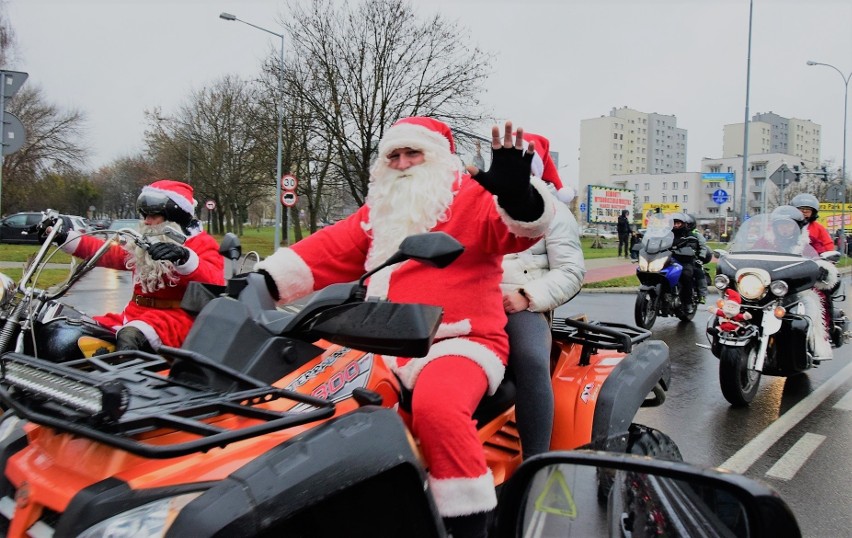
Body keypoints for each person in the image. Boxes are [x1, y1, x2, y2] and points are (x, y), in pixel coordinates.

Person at [254, 117, 556, 538]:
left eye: (413, 152)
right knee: (320, 408)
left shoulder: (473, 197)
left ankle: (468, 523)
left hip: (459, 341)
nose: (402, 163)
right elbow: (328, 249)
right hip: (380, 340)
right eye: (393, 155)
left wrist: (517, 195)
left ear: (436, 157)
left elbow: (517, 230)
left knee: (438, 407)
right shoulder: (379, 212)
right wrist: (259, 283)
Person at [53, 179, 224, 351]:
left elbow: (214, 282)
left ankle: (122, 376)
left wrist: (185, 258)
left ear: (174, 217)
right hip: (134, 314)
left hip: (172, 321)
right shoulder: (146, 242)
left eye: (153, 215)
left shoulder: (201, 243)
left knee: (130, 337)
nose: (147, 221)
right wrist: (64, 237)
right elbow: (110, 253)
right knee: (76, 330)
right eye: (144, 215)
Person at [500, 132, 585, 460]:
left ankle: (535, 461)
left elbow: (572, 271)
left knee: (531, 361)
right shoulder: (482, 201)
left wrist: (527, 296)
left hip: (521, 306)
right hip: (475, 300)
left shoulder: (554, 212)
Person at [670, 213, 698, 313]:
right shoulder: (667, 233)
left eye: (678, 223)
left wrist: (689, 247)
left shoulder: (689, 235)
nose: (676, 225)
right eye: (674, 223)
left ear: (683, 224)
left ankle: (688, 303)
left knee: (686, 276)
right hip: (669, 260)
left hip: (684, 261)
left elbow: (693, 245)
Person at [682, 213, 709, 304]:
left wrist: (701, 257)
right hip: (678, 258)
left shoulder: (696, 234)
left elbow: (703, 246)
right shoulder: (676, 233)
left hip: (693, 259)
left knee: (699, 273)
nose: (685, 226)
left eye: (686, 224)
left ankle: (702, 295)